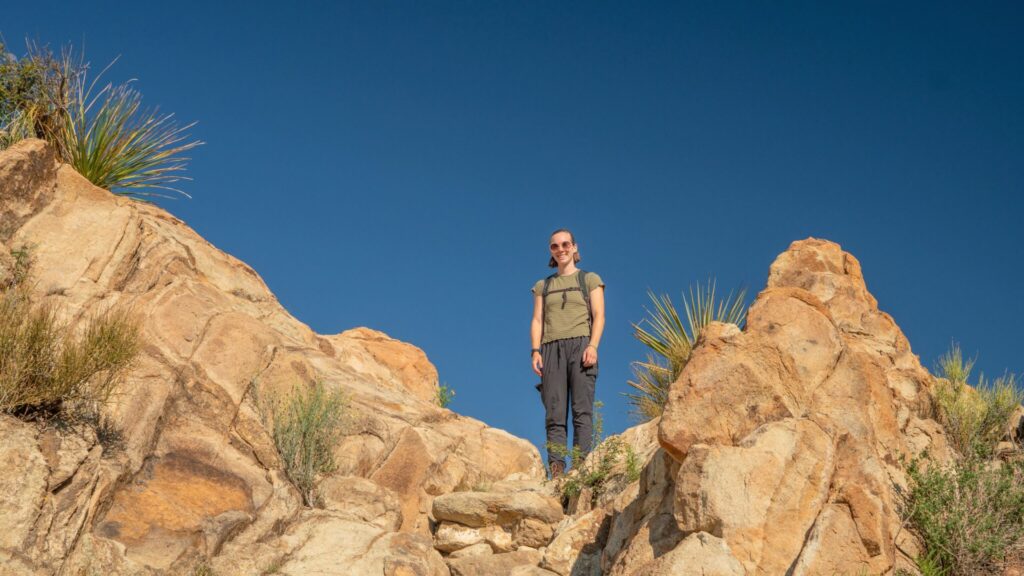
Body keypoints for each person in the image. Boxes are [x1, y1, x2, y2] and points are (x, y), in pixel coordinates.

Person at [531, 229, 605, 479]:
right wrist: (535, 351)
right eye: (555, 246)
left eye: (565, 244)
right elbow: (537, 319)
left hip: (581, 345)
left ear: (575, 247)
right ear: (551, 251)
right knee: (555, 411)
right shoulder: (544, 285)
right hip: (551, 348)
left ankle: (581, 467)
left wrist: (593, 346)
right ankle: (557, 469)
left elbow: (599, 316)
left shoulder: (589, 279)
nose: (560, 249)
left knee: (582, 410)